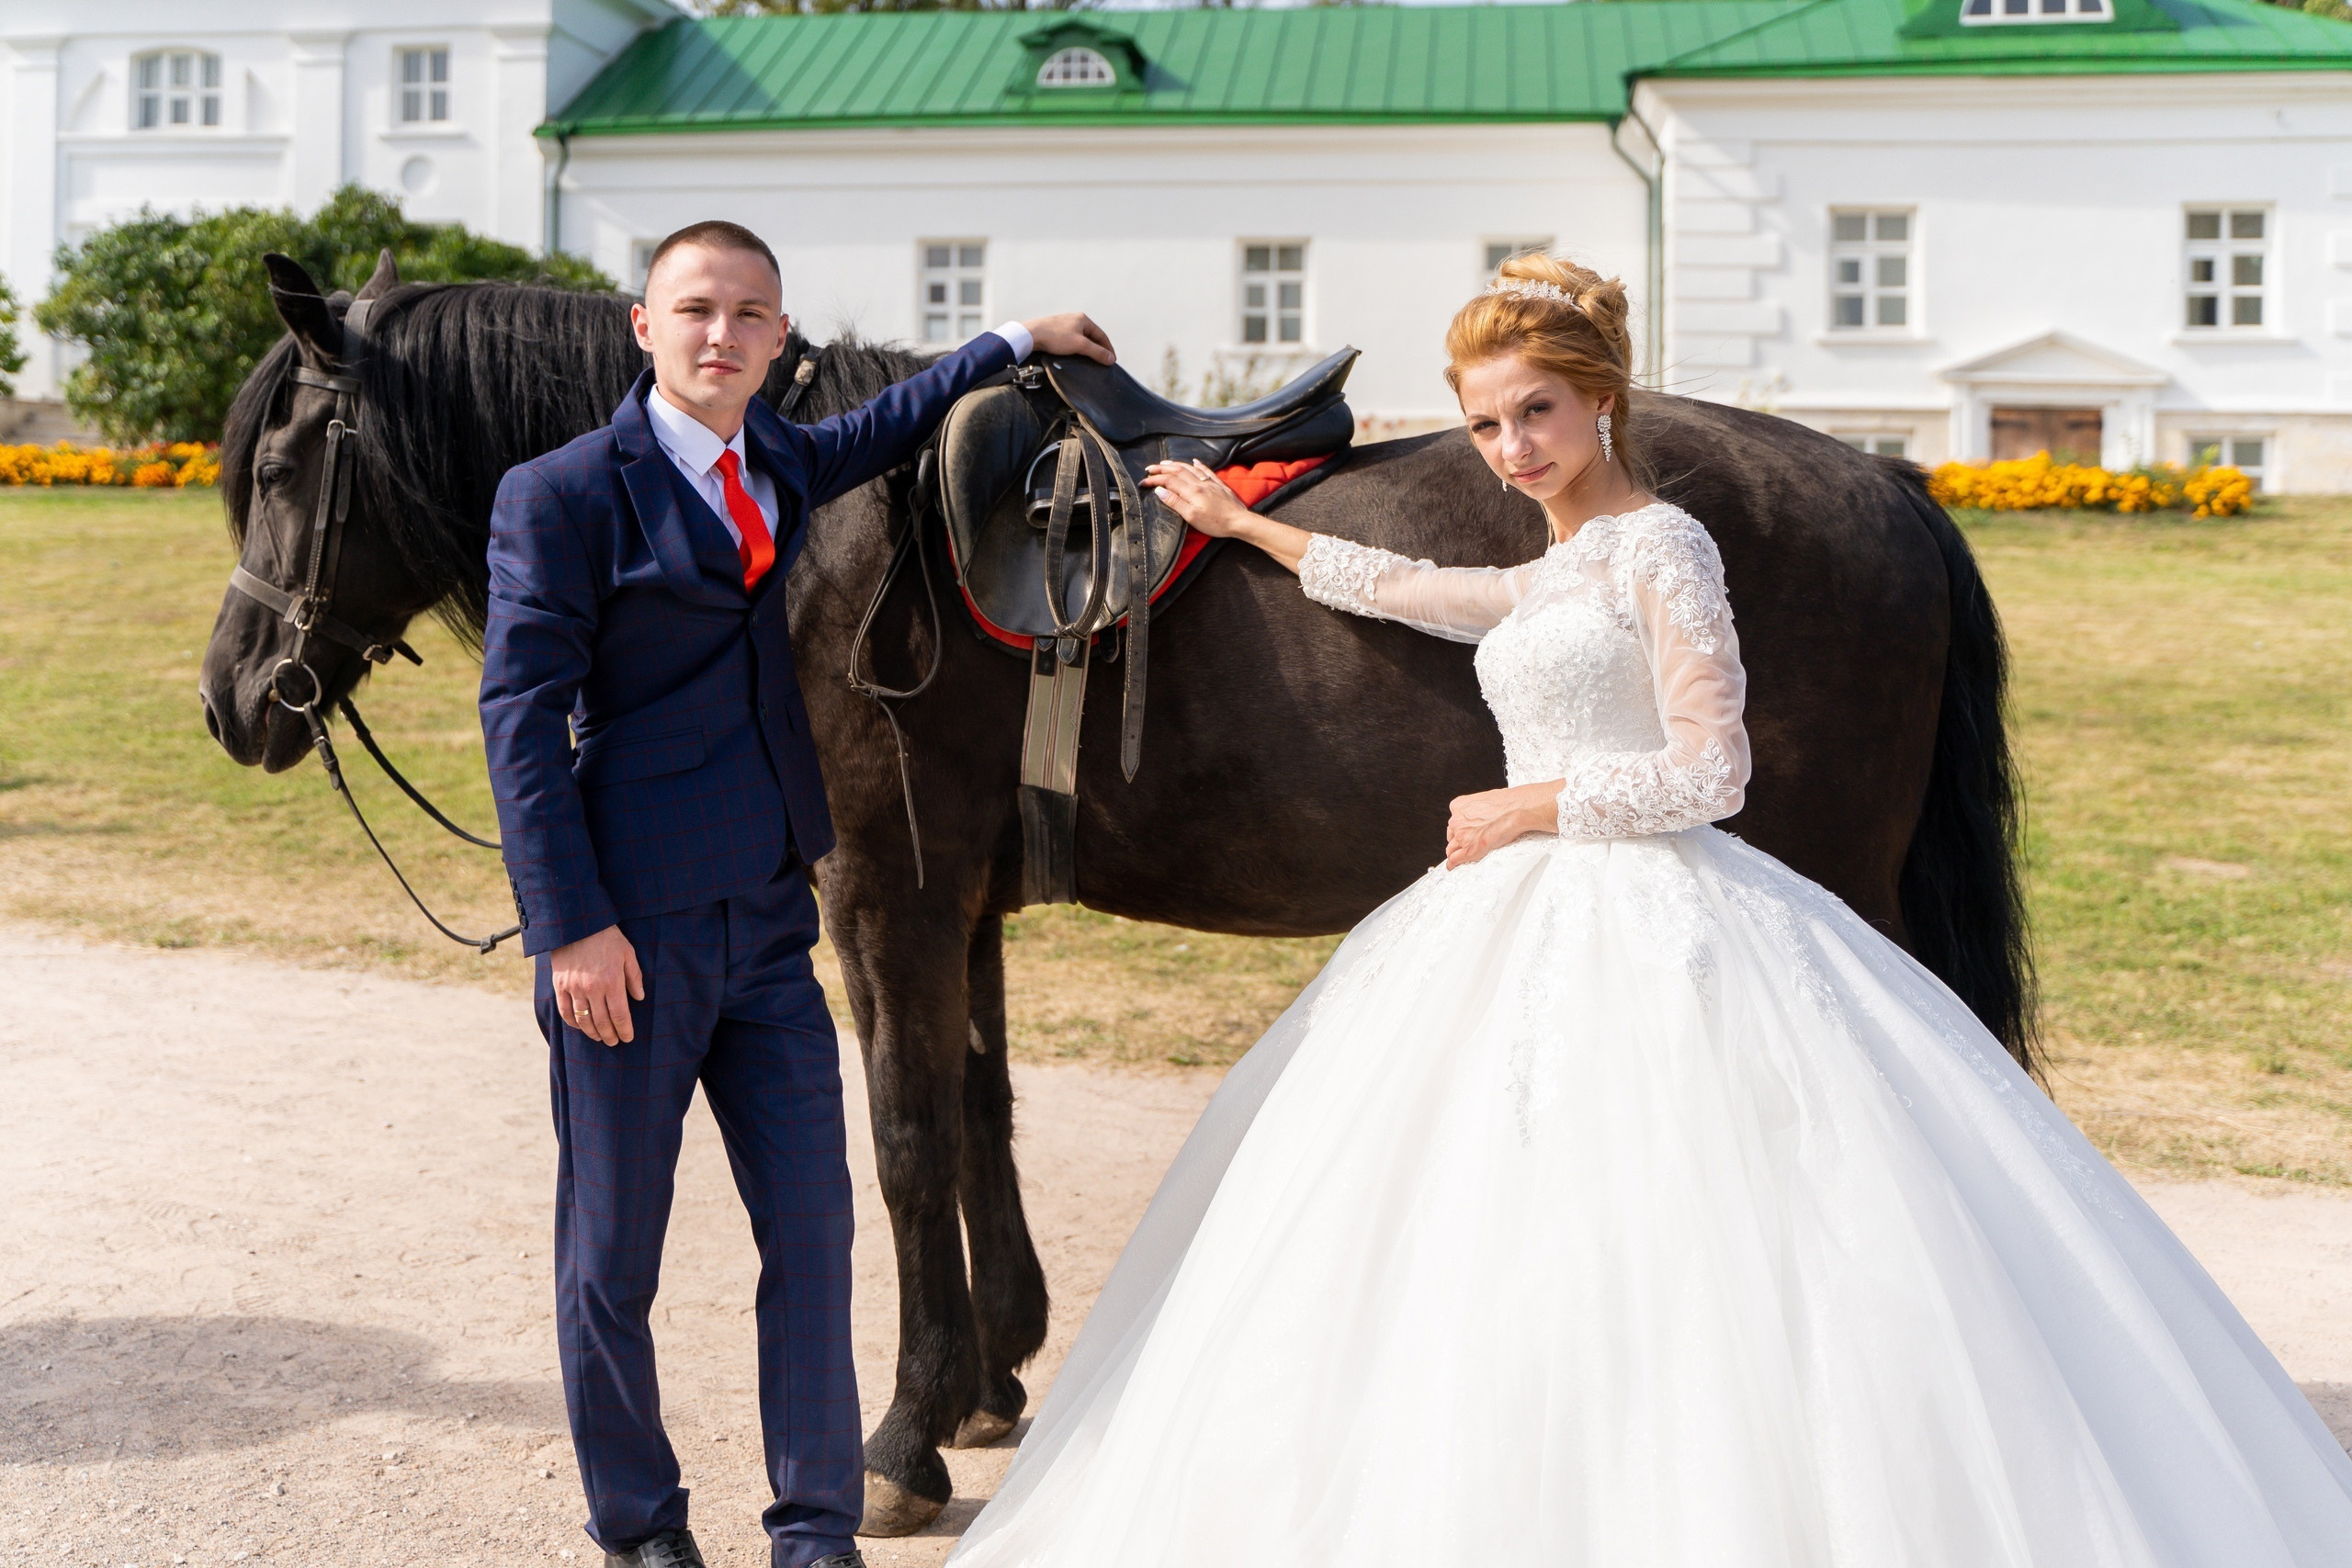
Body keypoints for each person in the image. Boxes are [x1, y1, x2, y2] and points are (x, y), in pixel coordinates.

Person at [943, 252, 2352, 1567]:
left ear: (1600, 400)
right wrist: (1248, 524)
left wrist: (1532, 807)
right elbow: (1419, 589)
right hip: (1518, 915)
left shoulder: (1664, 546)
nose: (1511, 448)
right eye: (1485, 424)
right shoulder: (1555, 566)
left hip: (1645, 904)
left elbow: (1714, 769)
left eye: (1536, 413)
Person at [478, 219, 1113, 1568]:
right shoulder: (561, 493)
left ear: (778, 337)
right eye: (696, 309)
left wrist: (1013, 338)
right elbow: (519, 720)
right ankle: (642, 1530)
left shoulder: (775, 456)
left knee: (815, 1240)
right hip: (630, 934)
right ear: (646, 327)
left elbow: (889, 423)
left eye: (750, 314)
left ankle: (814, 1529)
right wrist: (570, 925)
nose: (722, 333)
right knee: (613, 1262)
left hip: (771, 924)